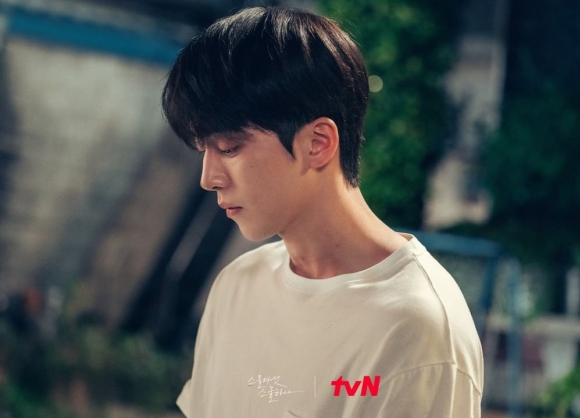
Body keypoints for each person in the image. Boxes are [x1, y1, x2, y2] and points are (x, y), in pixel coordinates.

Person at [161, 6, 483, 417]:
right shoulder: (237, 286)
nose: (209, 178)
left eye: (228, 148)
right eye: (203, 150)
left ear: (317, 143)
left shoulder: (417, 326)